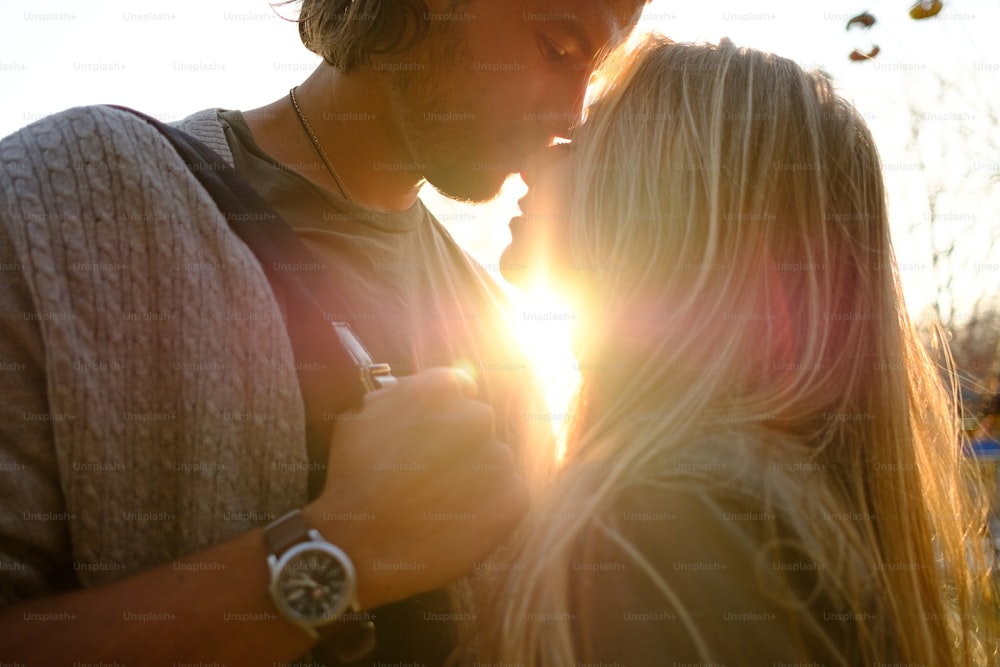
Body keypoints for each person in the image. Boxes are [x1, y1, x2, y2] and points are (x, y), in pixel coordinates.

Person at [0, 0, 645, 664]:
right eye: (558, 49)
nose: (574, 112)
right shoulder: (69, 202)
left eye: (592, 72)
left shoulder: (500, 335)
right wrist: (340, 550)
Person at [461, 35, 988, 666]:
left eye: (584, 141)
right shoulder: (738, 489)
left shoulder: (671, 510)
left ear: (669, 197)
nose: (534, 162)